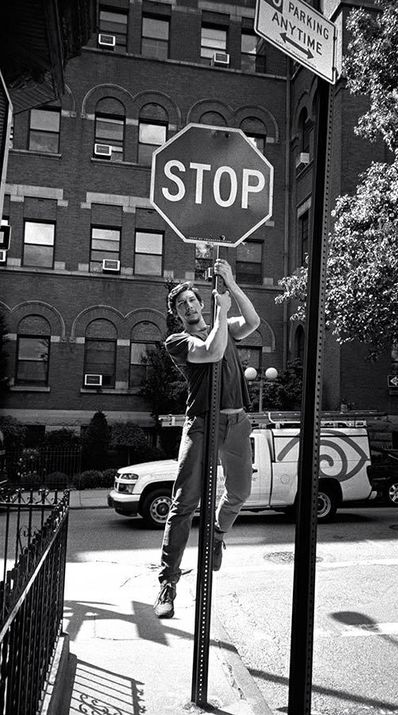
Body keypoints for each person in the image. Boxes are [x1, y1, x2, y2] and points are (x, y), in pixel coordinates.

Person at [154, 257, 260, 618]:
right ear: (177, 314)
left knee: (241, 492)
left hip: (237, 421)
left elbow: (254, 322)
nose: (189, 306)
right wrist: (221, 315)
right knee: (183, 504)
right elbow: (212, 351)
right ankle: (168, 582)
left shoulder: (224, 324)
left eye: (193, 300)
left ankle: (215, 534)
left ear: (201, 302)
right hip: (201, 423)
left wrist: (229, 282)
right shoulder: (178, 340)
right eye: (182, 304)